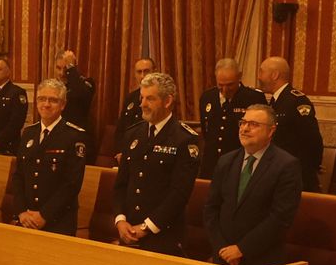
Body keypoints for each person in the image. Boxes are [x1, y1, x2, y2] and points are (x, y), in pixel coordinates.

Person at [203, 103, 302, 265]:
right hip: (223, 257)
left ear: (271, 131)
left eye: (254, 124)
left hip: (260, 260)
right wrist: (222, 248)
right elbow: (211, 208)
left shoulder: (286, 166)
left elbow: (280, 218)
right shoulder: (226, 161)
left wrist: (242, 249)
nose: (245, 129)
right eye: (243, 123)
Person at [112, 72, 199, 254]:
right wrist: (120, 220)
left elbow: (179, 194)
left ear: (167, 101)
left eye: (150, 99)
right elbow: (121, 184)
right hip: (128, 230)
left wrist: (147, 227)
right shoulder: (133, 134)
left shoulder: (184, 139)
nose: (142, 104)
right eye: (142, 98)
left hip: (164, 235)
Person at [10, 79, 86, 236]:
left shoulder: (74, 136)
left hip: (58, 221)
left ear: (63, 105)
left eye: (53, 100)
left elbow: (72, 184)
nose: (46, 104)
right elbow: (18, 176)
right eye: (42, 99)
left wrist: (44, 215)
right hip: (27, 218)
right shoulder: (29, 133)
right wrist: (21, 211)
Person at [258, 56, 323, 192]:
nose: (259, 77)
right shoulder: (275, 101)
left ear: (274, 75)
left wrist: (310, 168)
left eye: (261, 72)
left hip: (294, 175)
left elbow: (312, 139)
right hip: (278, 172)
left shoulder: (297, 101)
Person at [197, 58, 268, 178]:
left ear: (239, 76)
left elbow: (261, 134)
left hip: (239, 164)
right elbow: (206, 131)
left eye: (230, 85)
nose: (225, 90)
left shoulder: (254, 98)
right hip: (211, 166)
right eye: (220, 85)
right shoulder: (207, 97)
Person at [116, 57, 155, 146]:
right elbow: (120, 129)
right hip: (127, 148)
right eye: (139, 72)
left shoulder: (160, 97)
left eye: (146, 71)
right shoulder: (130, 98)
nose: (142, 76)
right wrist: (119, 150)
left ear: (154, 72)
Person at [58, 51, 96, 132]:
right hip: (58, 132)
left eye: (65, 68)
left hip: (78, 132)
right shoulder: (53, 86)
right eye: (58, 68)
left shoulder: (85, 83)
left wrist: (70, 67)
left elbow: (79, 94)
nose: (61, 73)